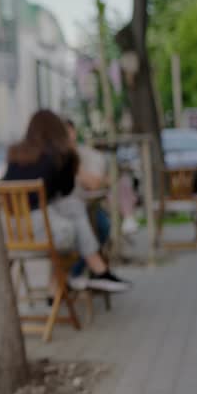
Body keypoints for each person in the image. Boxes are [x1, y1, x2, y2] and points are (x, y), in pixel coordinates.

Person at [3, 110, 130, 293]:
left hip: (13, 234)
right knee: (77, 214)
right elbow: (67, 190)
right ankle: (87, 275)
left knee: (72, 209)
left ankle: (67, 283)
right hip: (43, 234)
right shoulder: (59, 155)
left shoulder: (15, 154)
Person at [65, 119, 111, 278]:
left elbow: (94, 184)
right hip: (60, 214)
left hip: (87, 208)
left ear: (74, 133)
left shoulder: (87, 155)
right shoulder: (50, 158)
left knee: (100, 227)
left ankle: (72, 275)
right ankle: (72, 277)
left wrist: (73, 163)